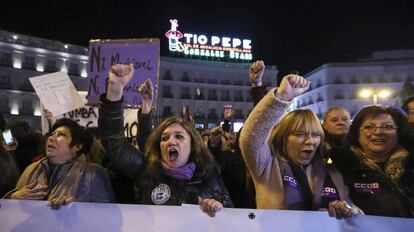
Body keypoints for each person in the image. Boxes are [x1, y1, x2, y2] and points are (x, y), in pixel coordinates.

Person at [98, 64, 232, 217]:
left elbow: (230, 211)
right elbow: (113, 142)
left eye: (179, 136)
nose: (171, 141)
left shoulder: (209, 173)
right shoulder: (147, 171)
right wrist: (115, 90)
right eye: (164, 137)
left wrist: (218, 207)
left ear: (193, 145)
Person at [240, 74, 363, 218]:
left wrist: (349, 210)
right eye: (300, 134)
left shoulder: (331, 168)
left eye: (316, 134)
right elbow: (250, 138)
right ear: (284, 138)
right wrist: (282, 97)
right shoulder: (266, 165)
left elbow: (353, 210)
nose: (310, 141)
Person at [3, 118, 115, 209]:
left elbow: (106, 216)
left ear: (77, 146)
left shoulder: (92, 174)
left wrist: (77, 209)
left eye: (61, 135)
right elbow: (8, 210)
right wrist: (12, 197)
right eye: (52, 134)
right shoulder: (31, 169)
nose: (51, 138)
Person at [331, 105, 414, 217]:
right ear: (357, 133)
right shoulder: (341, 165)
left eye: (388, 126)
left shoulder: (411, 163)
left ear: (399, 132)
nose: (378, 132)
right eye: (369, 127)